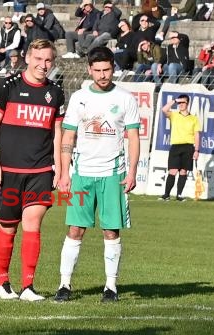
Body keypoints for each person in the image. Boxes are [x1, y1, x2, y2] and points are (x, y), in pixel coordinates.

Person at [54, 46, 140, 303]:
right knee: (75, 229)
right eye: (98, 70)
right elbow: (68, 136)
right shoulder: (79, 97)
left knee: (111, 231)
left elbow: (133, 137)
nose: (102, 75)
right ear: (89, 69)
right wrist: (65, 173)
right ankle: (64, 284)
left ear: (113, 68)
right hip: (82, 174)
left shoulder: (125, 98)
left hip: (113, 174)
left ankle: (110, 287)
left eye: (107, 70)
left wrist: (132, 171)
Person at [0, 39, 64, 301]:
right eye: (39, 59)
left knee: (33, 224)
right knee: (8, 227)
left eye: (48, 60)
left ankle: (28, 287)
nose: (43, 65)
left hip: (41, 170)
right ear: (28, 58)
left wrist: (60, 169)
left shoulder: (55, 92)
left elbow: (57, 134)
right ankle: (3, 284)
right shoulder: (7, 86)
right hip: (8, 170)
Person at [159, 94, 200, 201]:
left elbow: (196, 134)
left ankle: (179, 195)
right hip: (176, 146)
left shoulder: (194, 118)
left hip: (188, 147)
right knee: (172, 171)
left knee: (183, 171)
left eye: (183, 102)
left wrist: (196, 150)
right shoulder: (174, 115)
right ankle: (166, 194)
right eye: (180, 103)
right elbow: (164, 109)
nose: (181, 104)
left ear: (187, 103)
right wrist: (175, 100)